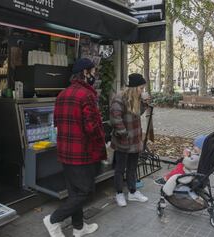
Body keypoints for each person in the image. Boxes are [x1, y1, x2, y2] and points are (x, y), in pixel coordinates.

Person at [43, 58, 106, 237]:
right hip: (82, 153)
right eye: (93, 72)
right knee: (86, 191)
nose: (94, 75)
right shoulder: (87, 95)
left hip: (65, 152)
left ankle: (78, 227)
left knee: (74, 192)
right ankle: (54, 220)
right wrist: (102, 147)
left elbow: (56, 123)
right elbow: (92, 128)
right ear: (85, 73)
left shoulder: (62, 94)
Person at [110, 73, 150, 207]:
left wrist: (145, 102)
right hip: (123, 141)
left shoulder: (136, 98)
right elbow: (115, 118)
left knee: (132, 168)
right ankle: (119, 193)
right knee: (120, 169)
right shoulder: (119, 98)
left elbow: (138, 113)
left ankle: (132, 192)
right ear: (134, 87)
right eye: (141, 88)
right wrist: (123, 134)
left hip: (135, 140)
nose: (142, 91)